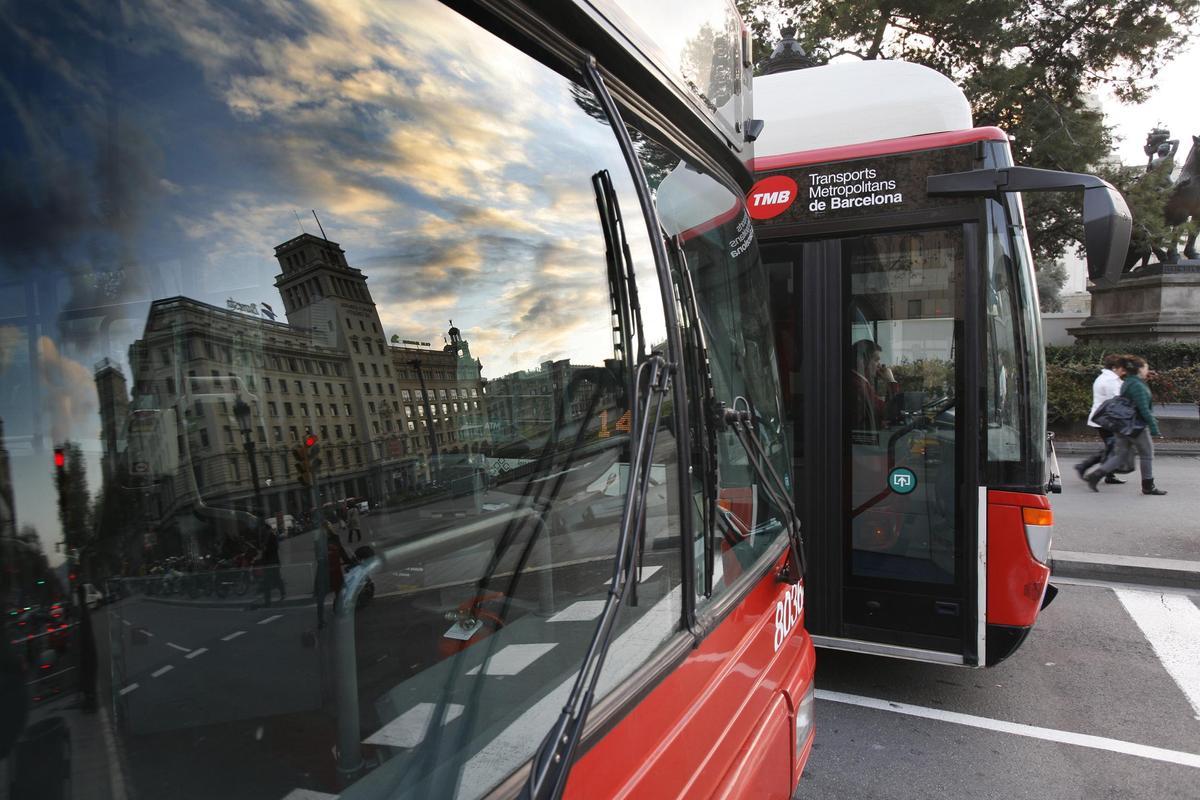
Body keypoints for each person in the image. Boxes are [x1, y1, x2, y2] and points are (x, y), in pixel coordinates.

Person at [1086, 356, 1167, 495]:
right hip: (1137, 426)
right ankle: (1148, 486)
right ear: (1140, 369)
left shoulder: (1128, 382)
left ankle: (1095, 476)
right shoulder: (1137, 386)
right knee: (1147, 455)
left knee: (1120, 455)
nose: (1147, 369)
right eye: (1146, 366)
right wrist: (1154, 427)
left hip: (1123, 425)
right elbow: (1143, 409)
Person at [1074, 354, 1128, 484]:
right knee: (1114, 446)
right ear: (1115, 367)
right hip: (1106, 419)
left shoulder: (1108, 378)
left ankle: (1106, 473)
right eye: (1122, 367)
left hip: (1103, 419)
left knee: (1112, 446)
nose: (1124, 369)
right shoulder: (1110, 381)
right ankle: (1086, 466)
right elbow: (1116, 401)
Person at [314, 522, 351, 628]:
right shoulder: (333, 538)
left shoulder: (320, 541)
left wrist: (346, 560)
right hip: (332, 570)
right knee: (337, 592)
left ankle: (321, 620)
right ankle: (337, 613)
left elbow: (319, 557)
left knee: (323, 597)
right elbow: (341, 551)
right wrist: (347, 560)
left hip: (325, 571)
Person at [258, 524, 286, 607]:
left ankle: (282, 593)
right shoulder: (264, 537)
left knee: (276, 578)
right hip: (268, 562)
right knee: (267, 581)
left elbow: (275, 548)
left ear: (268, 529)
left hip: (273, 562)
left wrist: (266, 548)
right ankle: (268, 600)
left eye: (264, 530)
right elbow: (262, 548)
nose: (263, 531)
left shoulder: (272, 536)